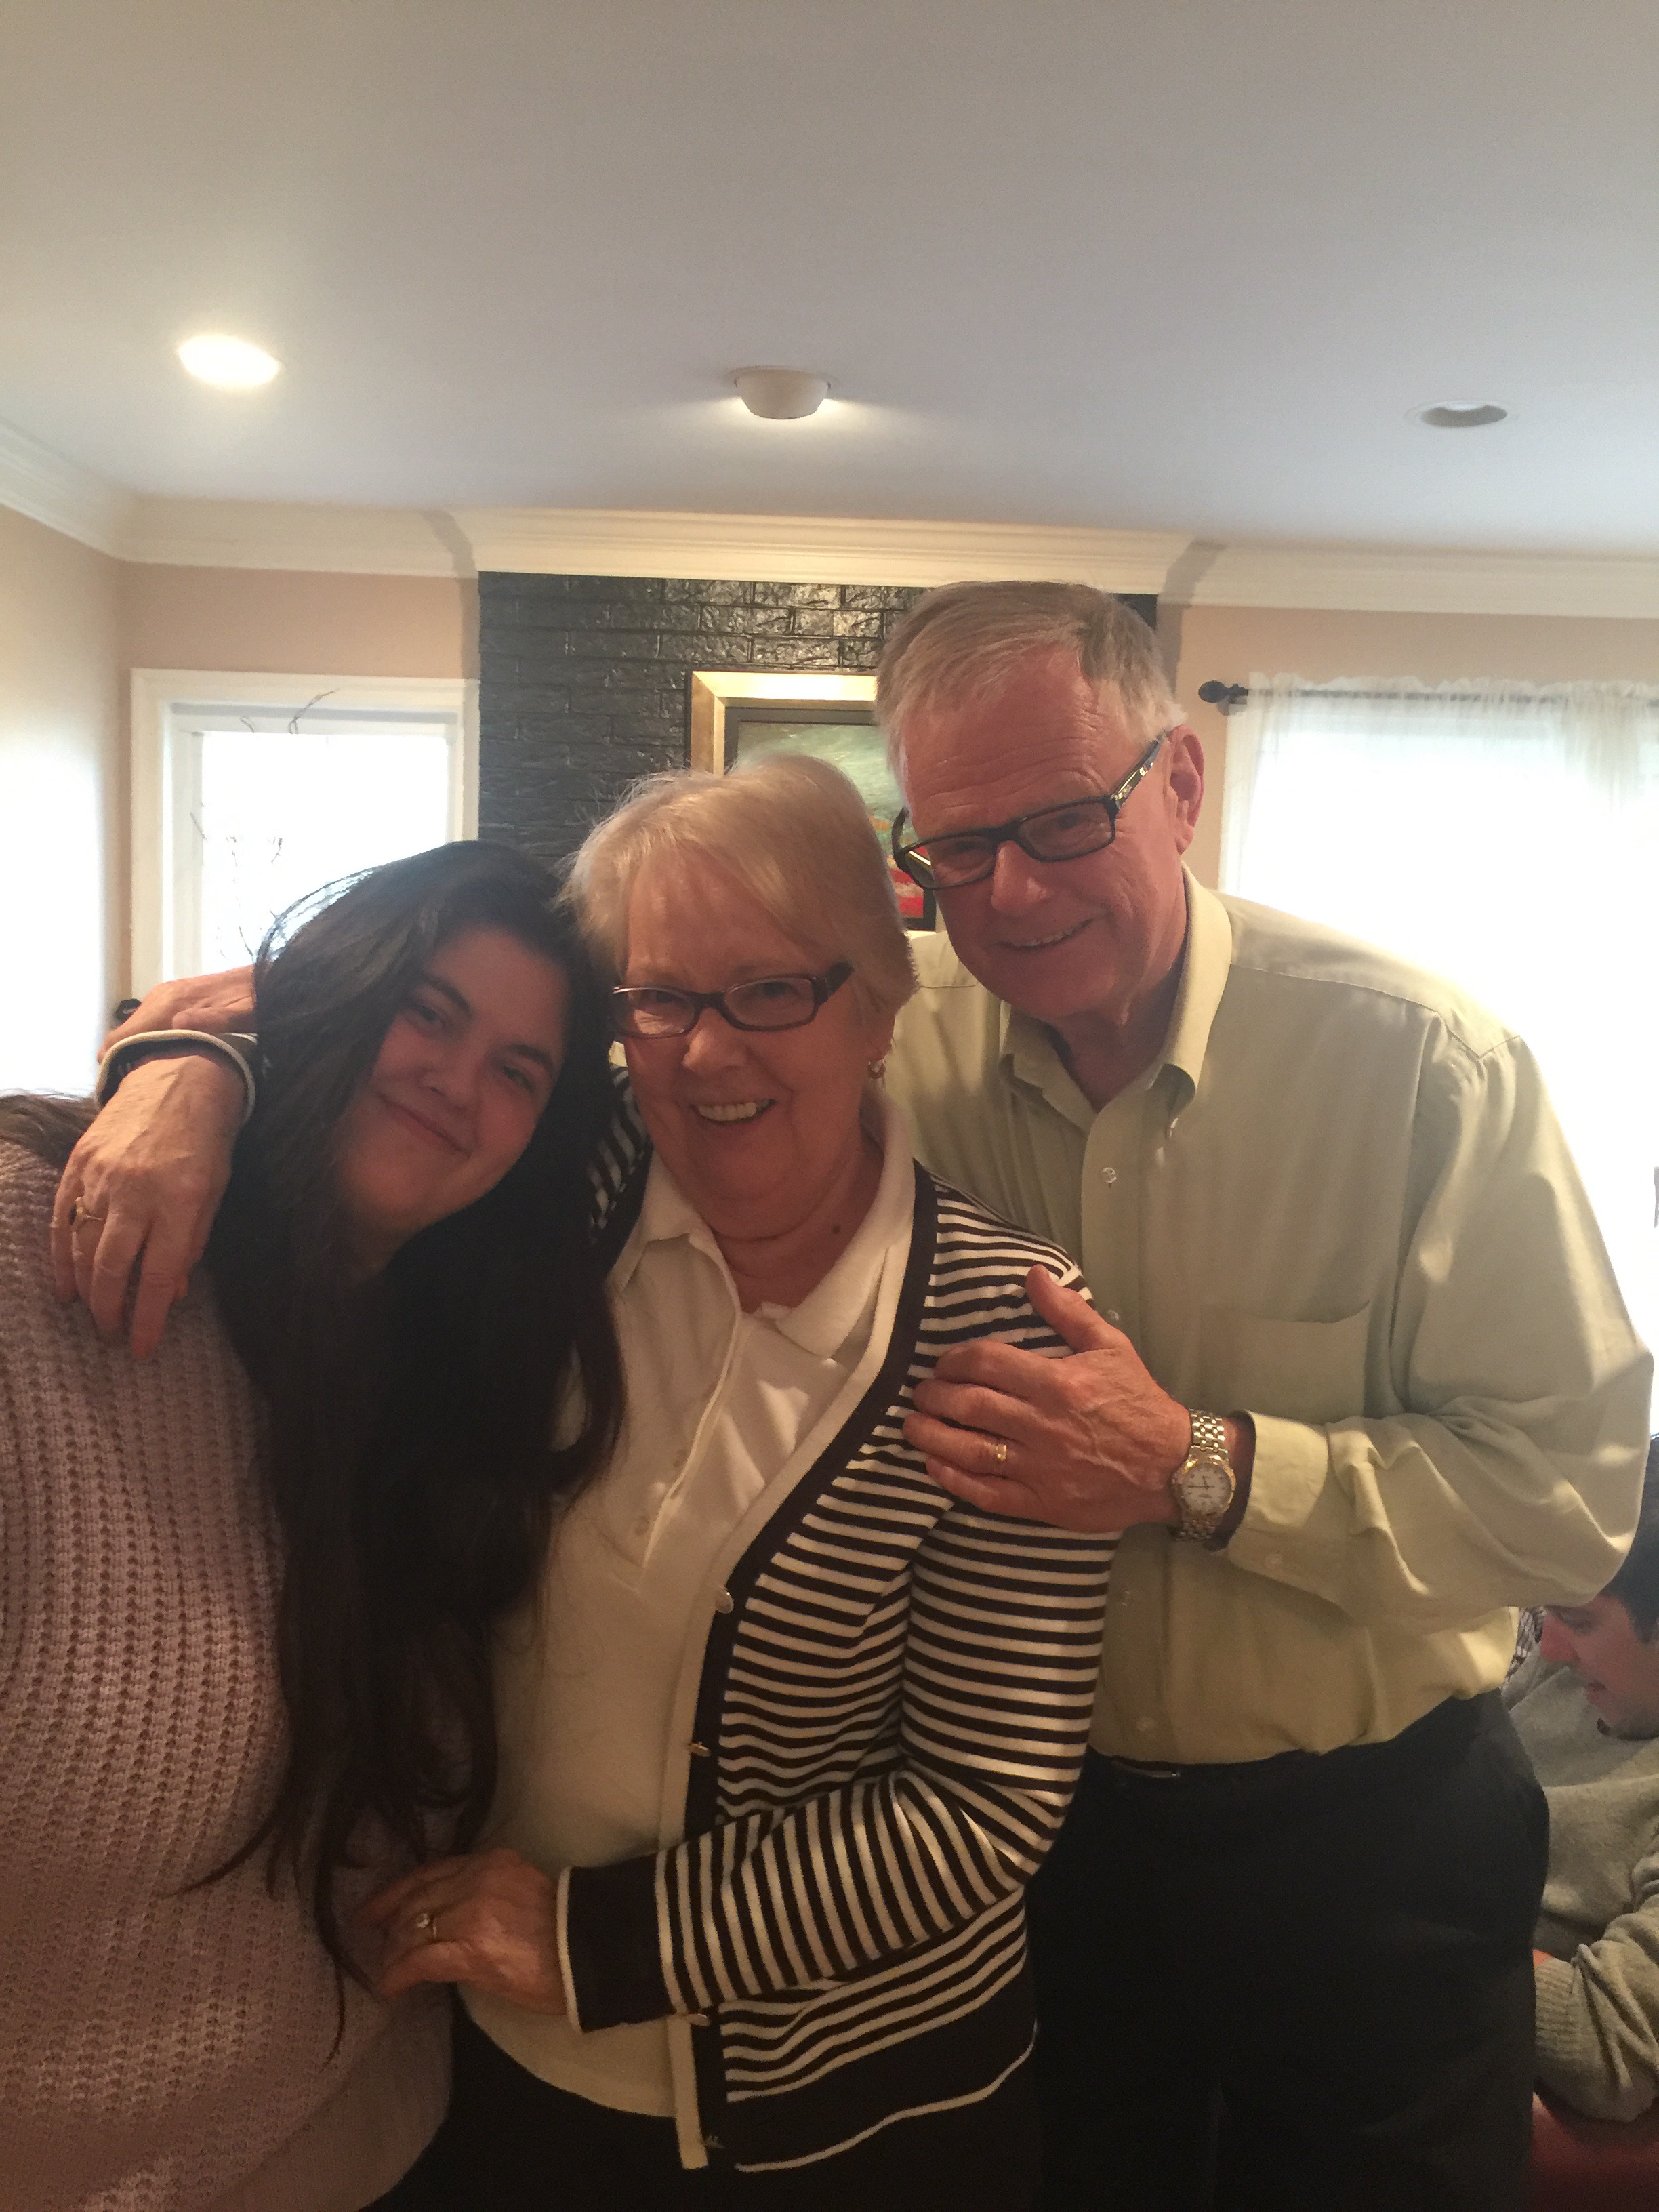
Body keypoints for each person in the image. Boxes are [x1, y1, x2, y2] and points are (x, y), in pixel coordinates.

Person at [65, 759, 1119, 2208]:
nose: (707, 1050)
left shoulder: (1007, 1325)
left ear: (879, 1007)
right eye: (660, 998)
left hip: (855, 2112)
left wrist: (589, 1940)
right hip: (492, 2070)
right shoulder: (567, 1186)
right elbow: (355, 1018)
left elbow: (981, 1804)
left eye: (770, 990)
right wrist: (183, 1070)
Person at [865, 582, 1652, 2210]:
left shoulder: (1425, 1064)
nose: (1010, 891)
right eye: (957, 846)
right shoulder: (888, 1054)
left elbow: (1569, 1497)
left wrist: (1199, 1465)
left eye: (1061, 821)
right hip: (1025, 1847)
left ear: (1179, 781)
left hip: (1371, 1845)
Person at [0, 841, 623, 2212]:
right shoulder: (41, 1236)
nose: (455, 1081)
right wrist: (188, 1058)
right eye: (426, 1011)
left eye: (517, 1071)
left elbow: (733, 1044)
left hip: (369, 2141)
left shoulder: (458, 1356)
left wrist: (187, 1048)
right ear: (335, 996)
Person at [1507, 1439, 1659, 2123]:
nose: (1550, 1648)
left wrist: (1413, 1924)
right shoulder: (1575, 1677)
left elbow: (1610, 2046)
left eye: (1580, 1621)